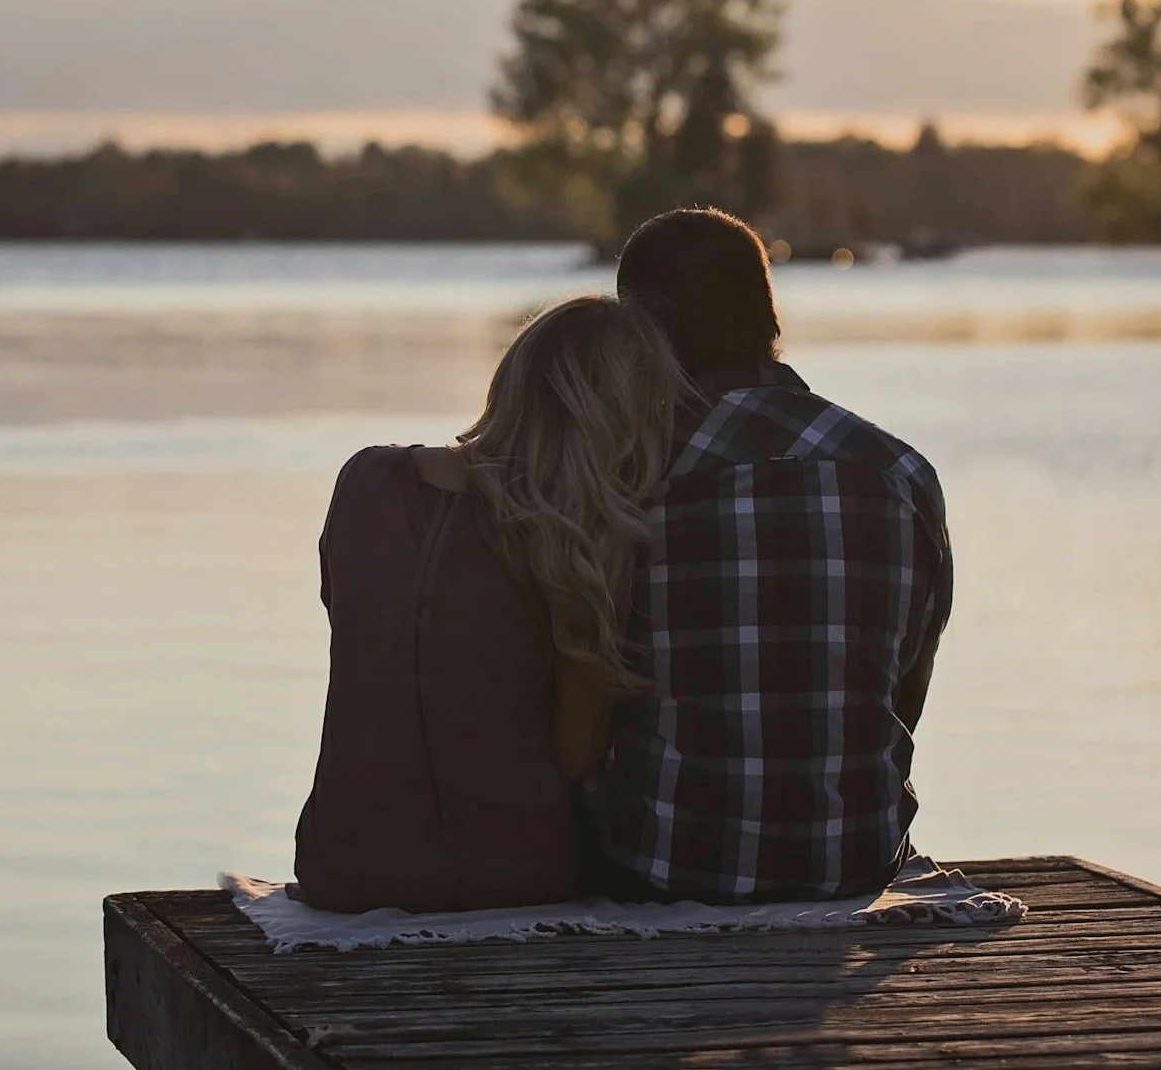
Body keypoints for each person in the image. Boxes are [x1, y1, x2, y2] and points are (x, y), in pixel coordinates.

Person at [584, 207, 952, 904]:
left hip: (659, 869)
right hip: (853, 864)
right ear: (771, 322)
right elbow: (903, 688)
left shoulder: (625, 475)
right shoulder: (900, 471)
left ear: (645, 326)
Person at [292, 295, 681, 913]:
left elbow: (355, 622)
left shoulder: (367, 480)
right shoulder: (583, 536)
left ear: (512, 378)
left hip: (342, 862)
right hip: (512, 876)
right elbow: (576, 753)